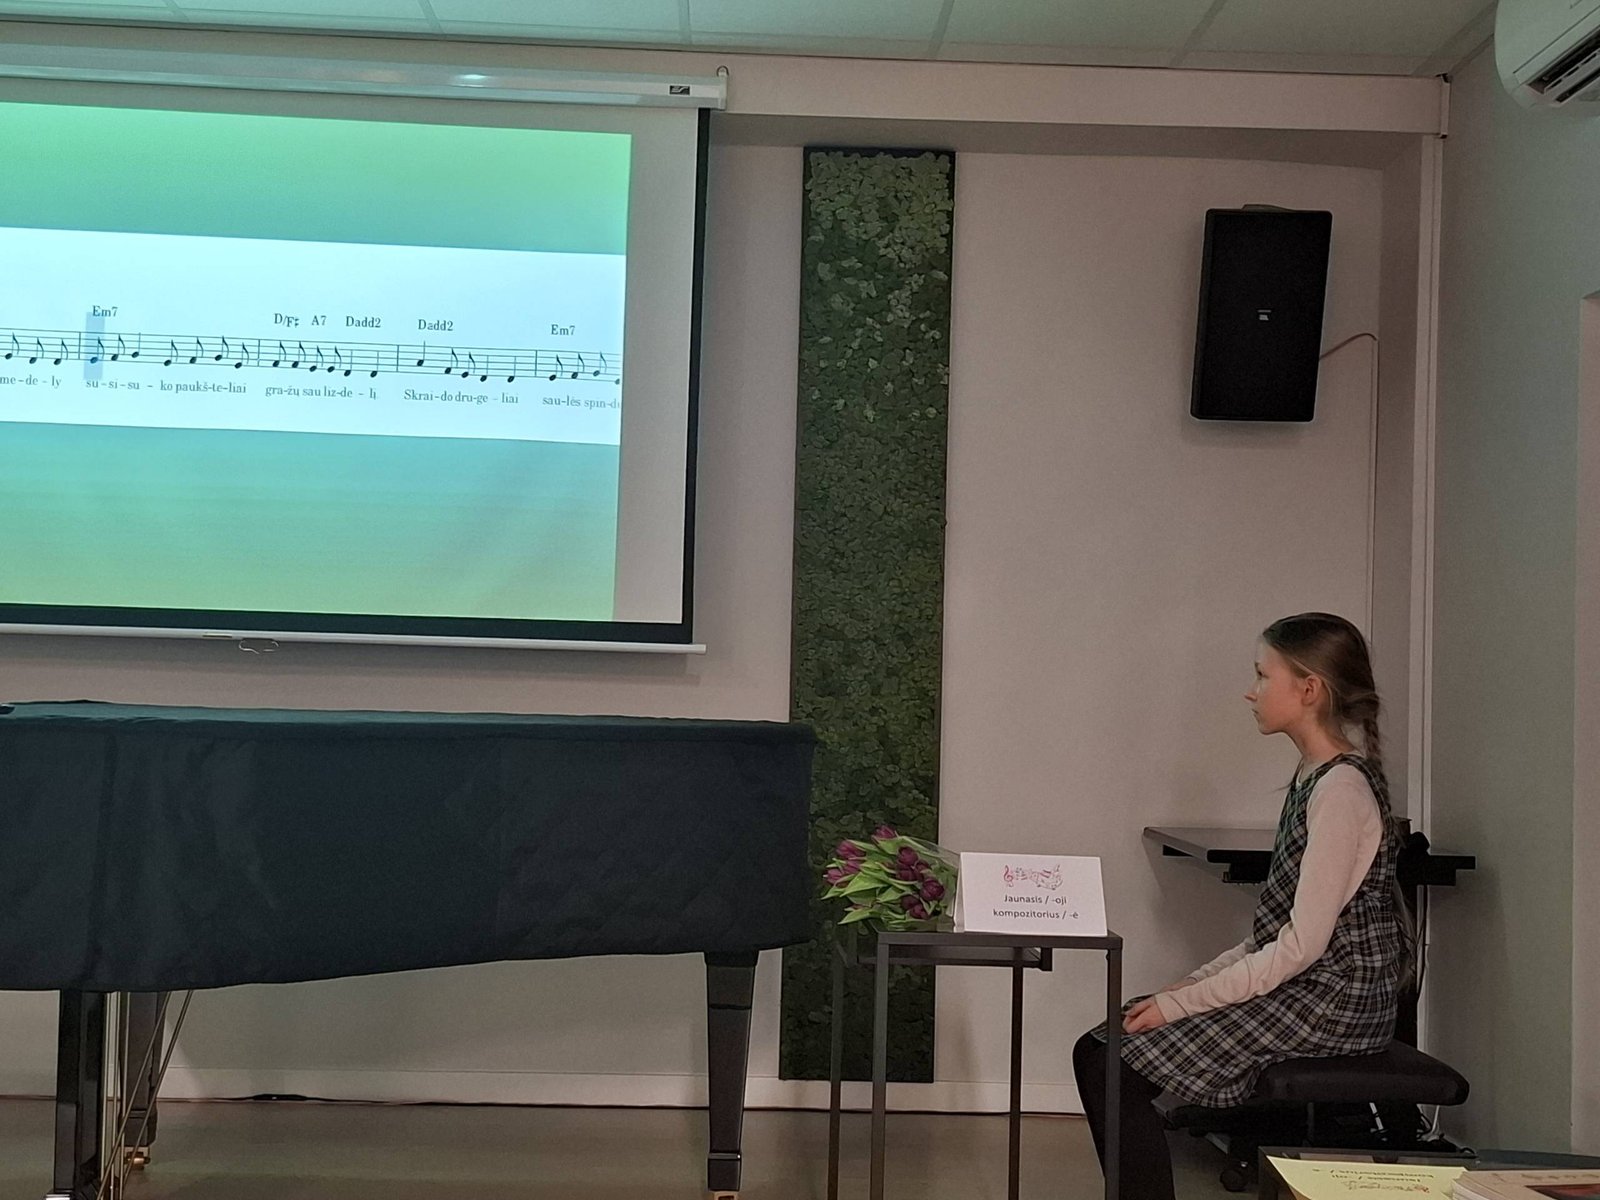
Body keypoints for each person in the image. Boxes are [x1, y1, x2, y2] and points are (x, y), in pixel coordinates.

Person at [1072, 613, 1409, 1200]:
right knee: (1099, 1048)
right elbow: (1272, 936)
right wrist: (1189, 987)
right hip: (1315, 987)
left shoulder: (1340, 790)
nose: (1251, 692)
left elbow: (1299, 948)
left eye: (1263, 675)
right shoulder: (1314, 776)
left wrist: (1181, 1003)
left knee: (1111, 1062)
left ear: (1308, 689)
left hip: (1335, 1002)